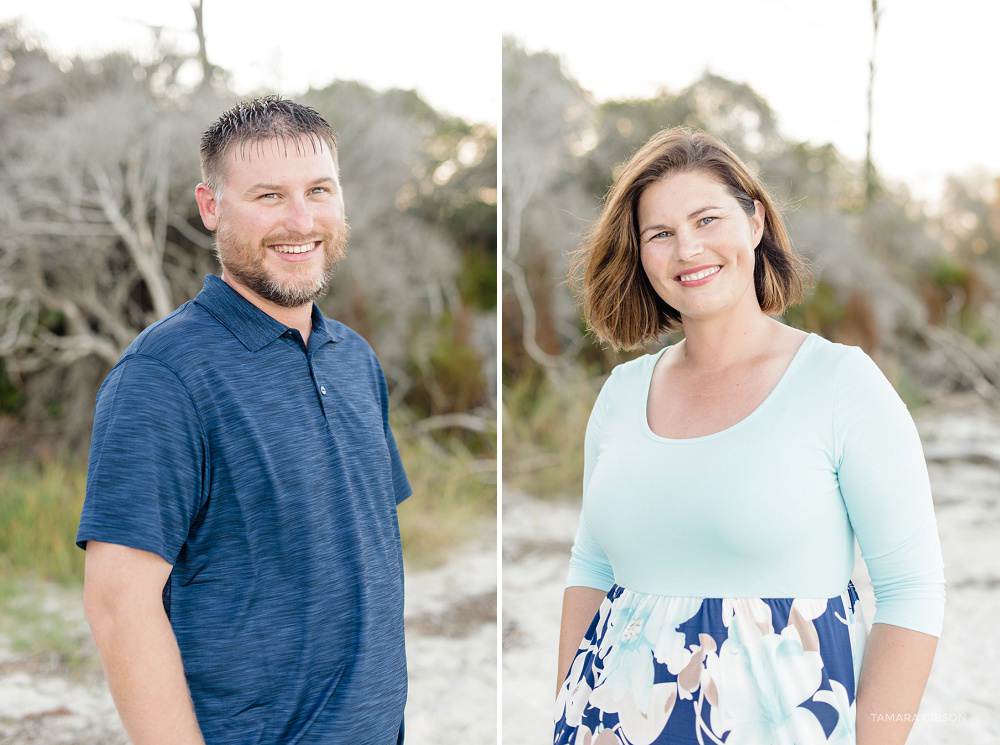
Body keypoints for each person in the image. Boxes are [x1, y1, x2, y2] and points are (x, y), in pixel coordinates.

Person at [554, 127, 944, 745]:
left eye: (707, 218)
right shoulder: (621, 395)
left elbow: (911, 593)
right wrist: (563, 714)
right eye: (660, 233)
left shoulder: (841, 384)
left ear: (755, 221)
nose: (688, 248)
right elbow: (591, 567)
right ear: (640, 253)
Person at [77, 96, 411, 745]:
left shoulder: (355, 361)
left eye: (319, 189)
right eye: (268, 196)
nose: (300, 218)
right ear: (211, 207)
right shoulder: (162, 377)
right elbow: (118, 604)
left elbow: (362, 556)